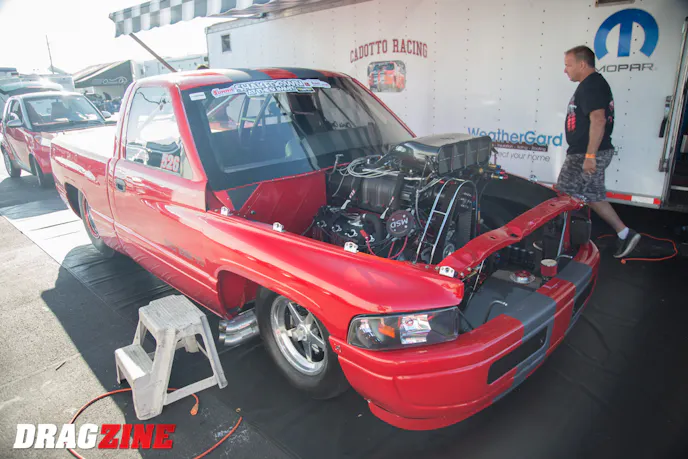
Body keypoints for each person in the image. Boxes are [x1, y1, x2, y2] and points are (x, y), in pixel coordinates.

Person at [557, 45, 641, 258]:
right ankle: (624, 233)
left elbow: (598, 120)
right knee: (592, 195)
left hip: (584, 153)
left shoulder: (591, 85)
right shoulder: (592, 84)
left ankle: (559, 242)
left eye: (568, 65)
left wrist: (590, 156)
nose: (565, 70)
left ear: (582, 64)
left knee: (563, 193)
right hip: (587, 152)